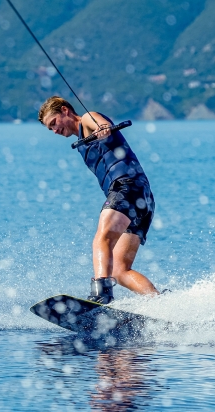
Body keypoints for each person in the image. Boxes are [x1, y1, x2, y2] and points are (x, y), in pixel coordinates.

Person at [38, 96, 160, 304]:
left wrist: (103, 128)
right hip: (143, 199)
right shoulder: (81, 138)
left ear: (65, 111)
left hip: (127, 188)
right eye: (50, 129)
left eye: (54, 123)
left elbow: (99, 122)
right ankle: (162, 304)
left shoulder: (87, 119)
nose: (54, 131)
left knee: (102, 237)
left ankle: (102, 294)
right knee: (120, 270)